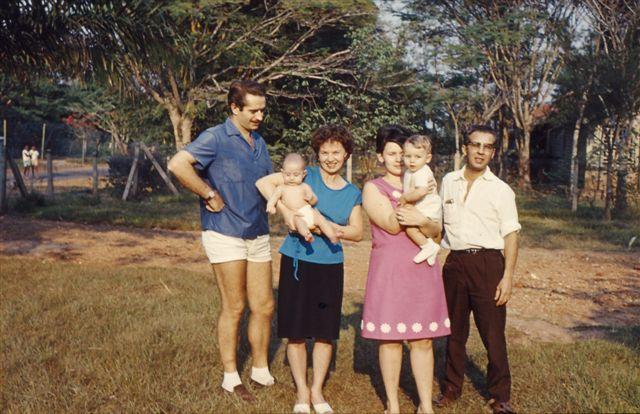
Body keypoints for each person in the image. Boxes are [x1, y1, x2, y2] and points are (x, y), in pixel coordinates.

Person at [167, 79, 275, 403]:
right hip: (224, 231)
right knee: (235, 305)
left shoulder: (260, 142)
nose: (259, 116)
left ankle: (259, 368)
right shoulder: (215, 137)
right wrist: (207, 192)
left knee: (265, 306)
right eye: (253, 111)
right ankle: (231, 376)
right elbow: (177, 164)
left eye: (262, 111)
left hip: (257, 232)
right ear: (234, 108)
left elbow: (266, 183)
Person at [256, 124, 363, 414]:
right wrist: (289, 213)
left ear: (346, 155)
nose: (330, 158)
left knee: (325, 333)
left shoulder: (352, 192)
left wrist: (327, 226)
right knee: (297, 332)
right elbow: (265, 185)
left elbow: (358, 232)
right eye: (324, 152)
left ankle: (317, 391)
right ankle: (301, 392)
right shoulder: (304, 175)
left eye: (336, 152)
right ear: (316, 155)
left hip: (330, 265)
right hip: (297, 261)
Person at [361, 125, 450, 414]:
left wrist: (422, 216)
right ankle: (393, 405)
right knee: (390, 340)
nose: (399, 159)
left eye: (404, 153)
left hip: (422, 266)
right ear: (380, 157)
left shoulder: (423, 184)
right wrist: (411, 203)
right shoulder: (374, 187)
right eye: (392, 153)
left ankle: (425, 405)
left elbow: (436, 231)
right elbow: (389, 222)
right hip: (390, 271)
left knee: (422, 339)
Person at [436, 125, 520, 414]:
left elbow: (511, 234)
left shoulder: (501, 190)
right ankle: (451, 388)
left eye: (487, 147)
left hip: (488, 264)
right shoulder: (448, 181)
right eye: (475, 145)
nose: (480, 151)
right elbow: (438, 224)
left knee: (493, 333)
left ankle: (500, 395)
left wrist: (507, 277)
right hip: (456, 262)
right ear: (465, 148)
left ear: (493, 152)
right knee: (454, 331)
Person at [265, 153, 339, 244]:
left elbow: (315, 200)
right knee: (298, 222)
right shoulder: (281, 188)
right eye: (288, 175)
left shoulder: (304, 186)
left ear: (303, 174)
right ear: (282, 173)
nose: (291, 178)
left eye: (296, 175)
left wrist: (310, 198)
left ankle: (332, 236)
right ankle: (307, 234)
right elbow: (273, 198)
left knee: (321, 219)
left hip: (309, 211)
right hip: (296, 214)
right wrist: (271, 206)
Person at [399, 134, 441, 265]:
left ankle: (428, 247)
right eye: (408, 156)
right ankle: (431, 248)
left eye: (417, 157)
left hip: (428, 208)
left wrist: (405, 198)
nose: (412, 161)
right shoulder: (409, 172)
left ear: (427, 158)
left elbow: (422, 191)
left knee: (411, 229)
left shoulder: (422, 171)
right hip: (420, 208)